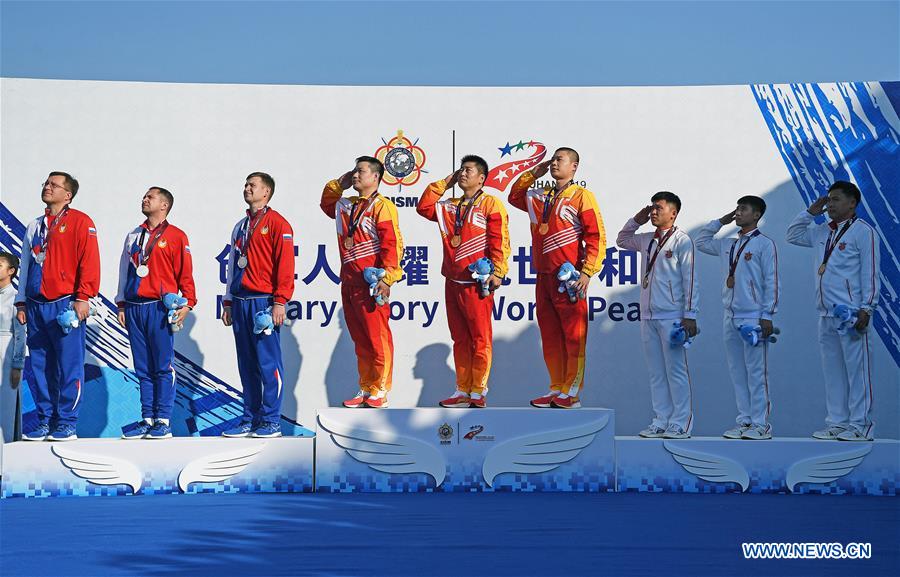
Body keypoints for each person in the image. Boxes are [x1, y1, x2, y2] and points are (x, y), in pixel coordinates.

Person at [508, 147, 606, 409]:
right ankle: (556, 388)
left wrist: (586, 272)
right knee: (550, 336)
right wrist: (533, 173)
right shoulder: (541, 196)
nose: (554, 163)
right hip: (543, 276)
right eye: (552, 160)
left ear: (574, 166)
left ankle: (571, 392)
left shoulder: (582, 197)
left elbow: (595, 236)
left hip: (569, 278)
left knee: (573, 335)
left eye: (560, 159)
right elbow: (514, 196)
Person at [786, 181, 879, 441]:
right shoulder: (822, 232)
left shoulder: (864, 232)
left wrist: (866, 308)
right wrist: (810, 212)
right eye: (829, 199)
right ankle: (837, 422)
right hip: (826, 314)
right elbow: (792, 235)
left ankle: (861, 425)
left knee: (858, 371)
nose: (830, 204)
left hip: (851, 313)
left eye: (836, 199)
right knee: (834, 371)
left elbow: (870, 272)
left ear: (852, 203)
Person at [417, 155, 510, 408]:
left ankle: (478, 391)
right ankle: (462, 389)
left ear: (481, 178)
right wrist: (445, 183)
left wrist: (498, 271)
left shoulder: (491, 204)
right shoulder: (449, 205)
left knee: (479, 339)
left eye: (468, 170)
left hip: (477, 283)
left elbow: (499, 240)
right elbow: (424, 207)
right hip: (452, 280)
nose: (463, 174)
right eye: (461, 170)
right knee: (459, 338)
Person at [16, 172, 100, 441]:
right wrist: (21, 301)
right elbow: (27, 265)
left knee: (68, 365)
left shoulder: (80, 222)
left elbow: (89, 261)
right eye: (46, 183)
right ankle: (44, 420)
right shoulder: (34, 226)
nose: (48, 187)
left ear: (68, 195)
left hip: (65, 304)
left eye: (55, 184)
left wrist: (84, 296)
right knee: (40, 366)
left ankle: (67, 422)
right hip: (36, 304)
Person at [321, 156, 404, 408]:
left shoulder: (383, 206)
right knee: (360, 340)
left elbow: (392, 244)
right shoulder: (346, 205)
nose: (356, 175)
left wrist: (387, 278)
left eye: (361, 171)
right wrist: (340, 183)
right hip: (349, 281)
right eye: (354, 171)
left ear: (376, 177)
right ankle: (366, 387)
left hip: (372, 283)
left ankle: (380, 387)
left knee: (377, 338)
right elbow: (326, 202)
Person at [115, 187, 196, 440]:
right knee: (142, 368)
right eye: (144, 196)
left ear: (164, 205)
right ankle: (147, 418)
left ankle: (163, 419)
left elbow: (185, 273)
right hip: (135, 308)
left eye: (151, 197)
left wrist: (188, 303)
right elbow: (124, 272)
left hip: (159, 308)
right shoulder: (133, 235)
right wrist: (121, 303)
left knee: (162, 366)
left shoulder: (176, 236)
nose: (144, 198)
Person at [696, 196, 779, 440]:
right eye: (737, 208)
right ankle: (744, 420)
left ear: (757, 215)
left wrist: (767, 315)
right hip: (730, 316)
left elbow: (772, 280)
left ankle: (761, 424)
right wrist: (720, 221)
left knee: (756, 372)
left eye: (744, 209)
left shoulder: (765, 244)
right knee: (737, 371)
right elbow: (701, 241)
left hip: (753, 317)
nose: (738, 212)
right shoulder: (728, 245)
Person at [617, 192, 698, 439]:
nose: (653, 211)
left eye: (659, 208)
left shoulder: (682, 241)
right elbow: (622, 240)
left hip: (672, 316)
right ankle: (661, 420)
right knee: (656, 372)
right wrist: (636, 220)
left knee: (676, 371)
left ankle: (681, 422)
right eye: (652, 207)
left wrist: (690, 314)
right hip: (648, 316)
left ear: (673, 213)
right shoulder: (646, 240)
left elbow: (690, 280)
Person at [221, 172, 295, 437]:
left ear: (266, 192)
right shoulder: (240, 226)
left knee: (268, 363)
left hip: (264, 302)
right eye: (245, 184)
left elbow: (285, 267)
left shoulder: (278, 224)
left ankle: (271, 420)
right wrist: (228, 300)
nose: (247, 188)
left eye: (252, 185)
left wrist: (279, 302)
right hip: (240, 302)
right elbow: (232, 267)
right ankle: (249, 417)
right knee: (247, 363)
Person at [1, 252, 26, 443]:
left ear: (11, 271)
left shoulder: (16, 299)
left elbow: (20, 334)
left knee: (5, 408)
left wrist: (17, 365)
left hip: (6, 356)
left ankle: (4, 459)